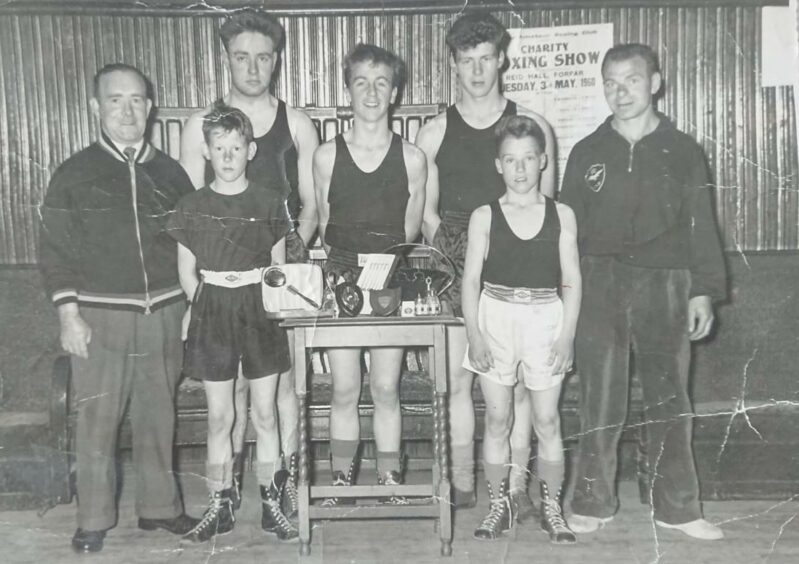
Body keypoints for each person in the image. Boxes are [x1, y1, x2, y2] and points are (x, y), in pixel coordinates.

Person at [559, 43, 727, 541]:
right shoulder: (588, 151)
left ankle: (677, 508)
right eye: (610, 82)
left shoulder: (683, 150)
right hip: (600, 281)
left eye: (630, 80)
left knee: (669, 397)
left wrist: (704, 290)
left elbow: (702, 227)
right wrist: (566, 293)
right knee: (599, 400)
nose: (620, 91)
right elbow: (568, 231)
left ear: (655, 82)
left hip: (666, 283)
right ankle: (592, 500)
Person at [38, 63, 198, 553]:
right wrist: (68, 314)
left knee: (158, 415)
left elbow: (191, 244)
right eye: (115, 100)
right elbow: (55, 249)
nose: (127, 111)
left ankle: (160, 508)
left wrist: (192, 303)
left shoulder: (170, 173)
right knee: (97, 421)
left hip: (165, 311)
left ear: (149, 108)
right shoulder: (74, 173)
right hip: (99, 317)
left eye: (136, 100)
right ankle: (92, 518)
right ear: (96, 107)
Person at [415, 11, 557, 517]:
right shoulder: (433, 133)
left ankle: (515, 488)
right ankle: (461, 483)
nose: (477, 71)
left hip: (516, 277)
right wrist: (457, 257)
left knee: (515, 386)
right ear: (454, 63)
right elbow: (425, 215)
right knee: (457, 382)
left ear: (501, 59)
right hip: (458, 274)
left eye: (486, 59)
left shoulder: (532, 127)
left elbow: (548, 214)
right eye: (466, 61)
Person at [179, 9, 319, 517]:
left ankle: (278, 494)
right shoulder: (202, 125)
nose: (253, 67)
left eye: (263, 57)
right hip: (221, 281)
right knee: (228, 399)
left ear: (276, 59)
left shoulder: (297, 122)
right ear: (227, 58)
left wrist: (281, 266)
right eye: (242, 57)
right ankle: (225, 495)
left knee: (279, 394)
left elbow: (313, 206)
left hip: (277, 269)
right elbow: (193, 211)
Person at [168, 105, 299, 543]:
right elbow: (187, 271)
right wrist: (199, 306)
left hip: (258, 308)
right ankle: (218, 505)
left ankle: (270, 504)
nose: (227, 155)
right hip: (213, 311)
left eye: (236, 147)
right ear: (206, 151)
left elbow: (278, 268)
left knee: (265, 414)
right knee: (220, 417)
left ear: (251, 150)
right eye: (219, 148)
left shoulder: (267, 202)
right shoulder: (191, 206)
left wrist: (271, 306)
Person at [313, 43, 426, 503]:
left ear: (395, 90)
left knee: (385, 387)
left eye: (382, 82)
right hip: (342, 276)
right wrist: (349, 269)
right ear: (348, 89)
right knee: (344, 387)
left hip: (390, 279)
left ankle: (389, 478)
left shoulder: (413, 158)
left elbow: (411, 229)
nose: (372, 91)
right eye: (362, 81)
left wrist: (381, 268)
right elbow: (324, 223)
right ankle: (341, 477)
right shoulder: (324, 156)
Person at [462, 115, 580, 543]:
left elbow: (571, 279)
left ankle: (552, 508)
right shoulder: (484, 215)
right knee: (498, 419)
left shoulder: (561, 214)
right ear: (498, 164)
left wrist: (566, 334)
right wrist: (474, 334)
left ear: (543, 161)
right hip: (495, 314)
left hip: (545, 316)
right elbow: (470, 281)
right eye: (510, 160)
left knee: (547, 419)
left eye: (528, 158)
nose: (520, 168)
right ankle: (499, 505)